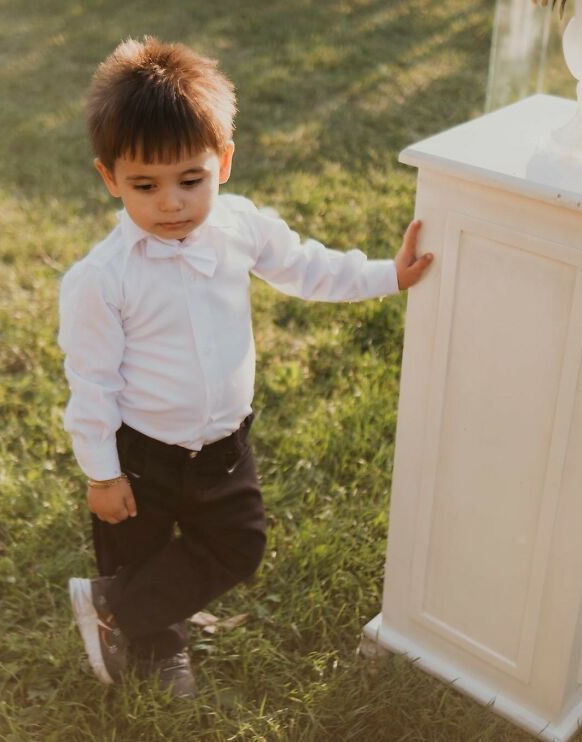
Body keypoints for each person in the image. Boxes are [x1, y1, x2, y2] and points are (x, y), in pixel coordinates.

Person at [58, 35, 433, 699]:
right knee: (140, 552)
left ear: (223, 163)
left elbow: (310, 266)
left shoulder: (239, 227)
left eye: (190, 180)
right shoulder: (101, 280)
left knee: (237, 544)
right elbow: (92, 382)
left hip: (225, 443)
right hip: (141, 451)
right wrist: (101, 471)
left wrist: (388, 276)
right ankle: (154, 643)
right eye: (145, 186)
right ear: (109, 178)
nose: (171, 203)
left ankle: (114, 606)